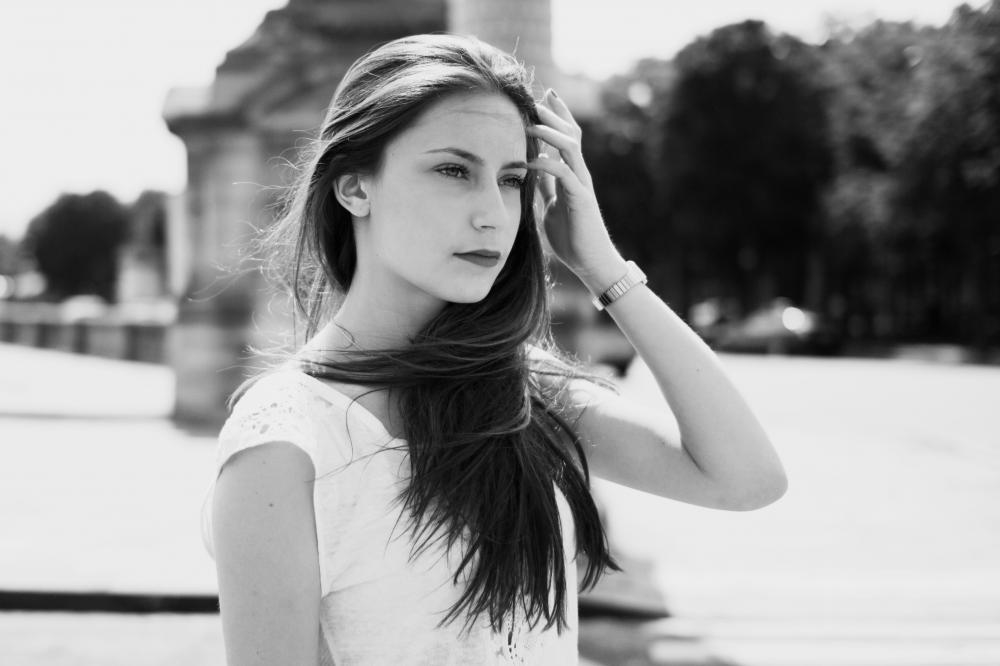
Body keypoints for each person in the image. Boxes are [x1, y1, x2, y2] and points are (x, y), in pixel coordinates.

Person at [200, 33, 787, 666]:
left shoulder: (524, 393)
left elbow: (745, 479)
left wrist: (603, 267)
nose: (494, 214)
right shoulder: (286, 444)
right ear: (354, 187)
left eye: (511, 180)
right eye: (454, 170)